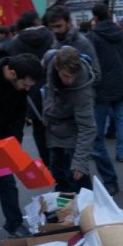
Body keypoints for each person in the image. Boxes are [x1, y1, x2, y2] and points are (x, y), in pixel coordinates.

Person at [45, 4, 120, 195]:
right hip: (61, 111)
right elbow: (50, 84)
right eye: (52, 27)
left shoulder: (83, 42)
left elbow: (96, 73)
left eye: (59, 26)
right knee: (64, 164)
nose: (56, 31)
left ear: (69, 23)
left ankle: (110, 180)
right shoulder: (54, 45)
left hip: (83, 100)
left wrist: (79, 84)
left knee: (93, 146)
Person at [0, 53, 45, 236]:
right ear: (13, 73)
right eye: (25, 84)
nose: (27, 89)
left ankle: (14, 224)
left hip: (0, 145)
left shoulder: (22, 87)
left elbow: (19, 116)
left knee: (6, 181)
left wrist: (15, 144)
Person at [42, 47, 96, 193]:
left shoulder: (81, 87)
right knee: (59, 175)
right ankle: (64, 211)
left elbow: (88, 127)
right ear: (56, 67)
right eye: (66, 76)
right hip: (54, 125)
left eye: (73, 76)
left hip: (73, 127)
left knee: (78, 175)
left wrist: (80, 162)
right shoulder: (50, 61)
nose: (70, 81)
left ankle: (87, 209)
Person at [88, 3, 123, 163]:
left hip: (102, 85)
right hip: (122, 82)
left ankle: (97, 150)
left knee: (98, 121)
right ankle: (122, 153)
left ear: (95, 17)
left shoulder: (93, 37)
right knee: (121, 119)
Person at [8, 10, 54, 165]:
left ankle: (48, 164)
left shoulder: (16, 42)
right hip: (54, 90)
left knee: (39, 129)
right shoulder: (51, 35)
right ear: (37, 21)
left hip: (31, 93)